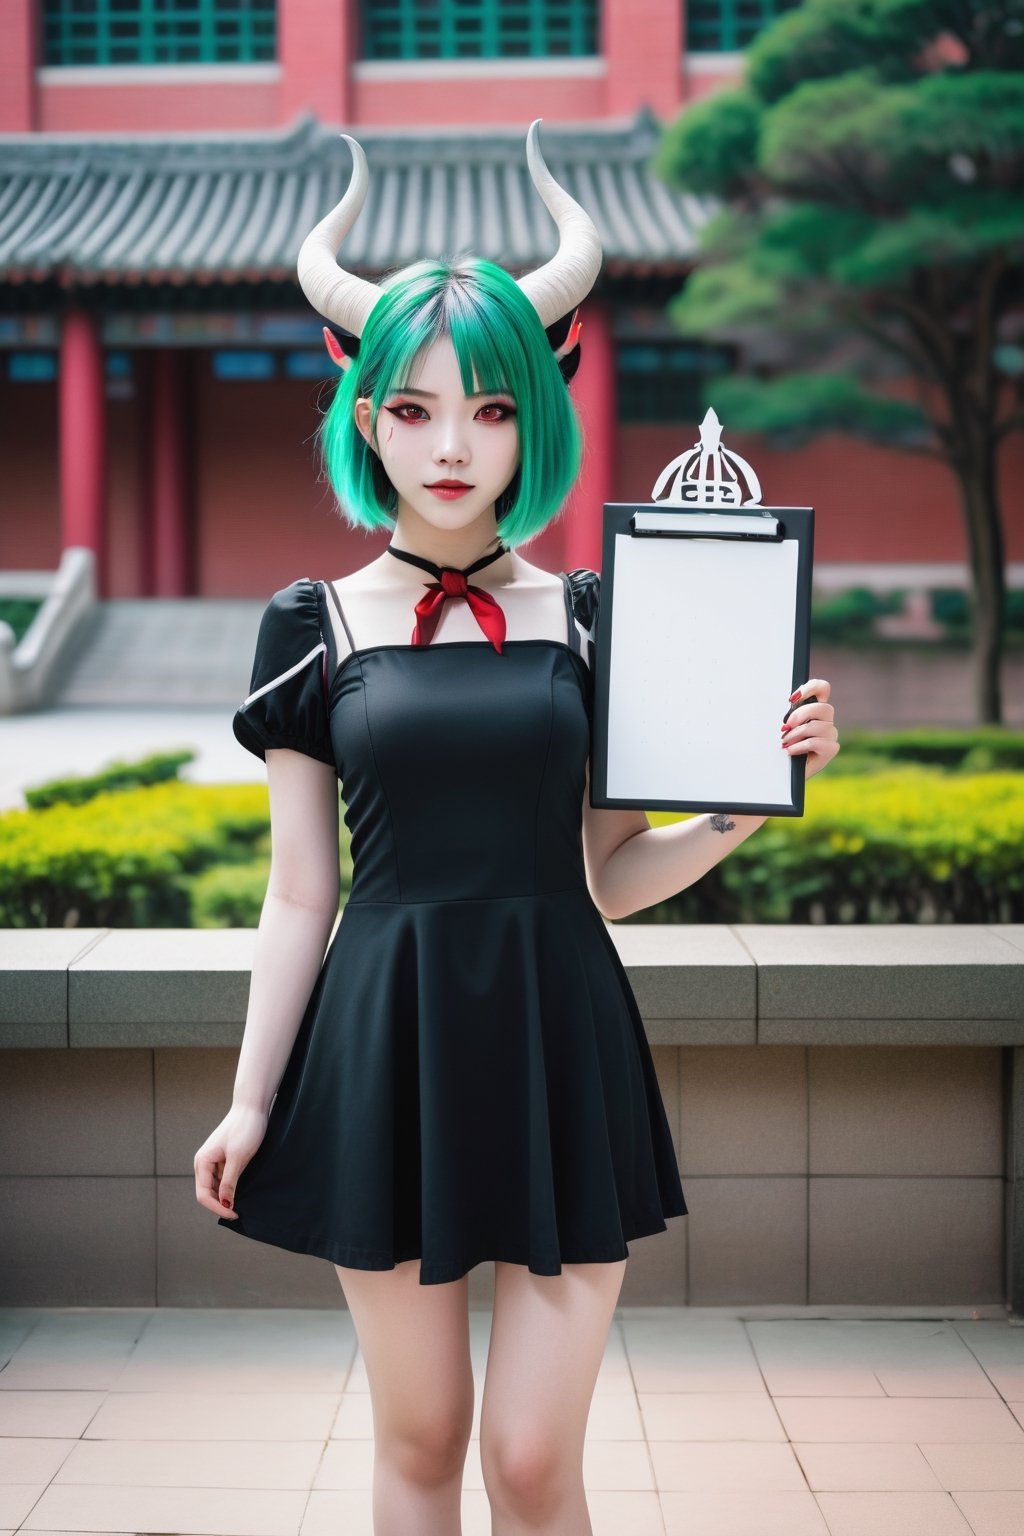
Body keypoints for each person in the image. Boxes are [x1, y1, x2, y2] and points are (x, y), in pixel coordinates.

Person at [194, 120, 841, 1536]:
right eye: (413, 409)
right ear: (363, 412)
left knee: (536, 1464)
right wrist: (252, 1098)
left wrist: (737, 801)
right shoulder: (310, 623)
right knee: (421, 1444)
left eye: (488, 410)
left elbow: (606, 877)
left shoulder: (597, 618)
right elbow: (300, 895)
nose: (450, 444)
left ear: (536, 414)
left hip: (561, 1038)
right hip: (385, 1043)